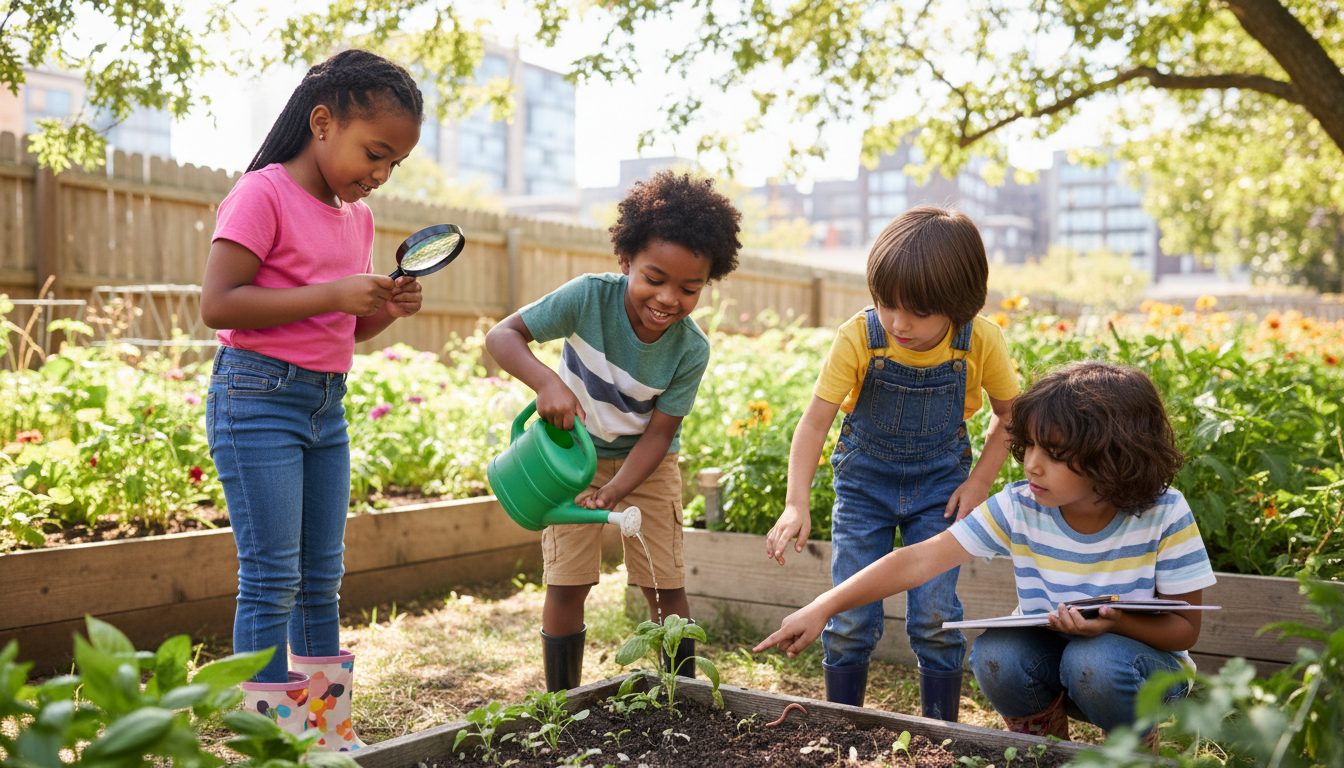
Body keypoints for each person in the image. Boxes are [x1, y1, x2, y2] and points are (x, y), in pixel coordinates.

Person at [755, 360, 1215, 746]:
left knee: (1091, 660)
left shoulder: (1164, 513)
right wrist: (822, 607)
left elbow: (1184, 631)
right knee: (997, 653)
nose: (1031, 462)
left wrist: (1117, 623)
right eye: (1029, 444)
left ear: (1113, 457)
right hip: (1055, 665)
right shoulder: (1022, 505)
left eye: (1053, 453)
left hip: (1141, 673)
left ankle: (1133, 751)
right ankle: (1043, 748)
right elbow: (918, 559)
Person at [200, 49, 425, 750]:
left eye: (394, 164)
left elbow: (344, 331)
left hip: (325, 406)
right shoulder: (262, 193)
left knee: (322, 576)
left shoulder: (356, 220)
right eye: (375, 153)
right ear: (322, 122)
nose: (381, 174)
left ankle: (323, 735)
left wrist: (387, 310)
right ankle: (269, 747)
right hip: (257, 398)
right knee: (272, 579)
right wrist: (335, 292)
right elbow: (219, 304)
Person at [485, 171, 742, 692]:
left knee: (664, 586)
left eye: (689, 288)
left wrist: (617, 488)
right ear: (625, 261)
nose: (669, 298)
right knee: (567, 582)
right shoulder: (587, 299)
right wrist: (547, 383)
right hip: (566, 459)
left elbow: (659, 434)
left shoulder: (690, 350)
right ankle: (562, 701)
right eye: (654, 278)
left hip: (645, 467)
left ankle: (680, 695)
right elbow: (502, 335)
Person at [762, 206, 1019, 720]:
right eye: (886, 304)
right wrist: (795, 503)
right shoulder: (859, 336)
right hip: (864, 488)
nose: (899, 323)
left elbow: (1010, 415)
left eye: (919, 312)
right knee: (851, 616)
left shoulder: (980, 340)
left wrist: (979, 483)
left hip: (941, 489)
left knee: (935, 615)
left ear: (959, 303)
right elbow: (814, 424)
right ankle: (844, 727)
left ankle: (940, 734)